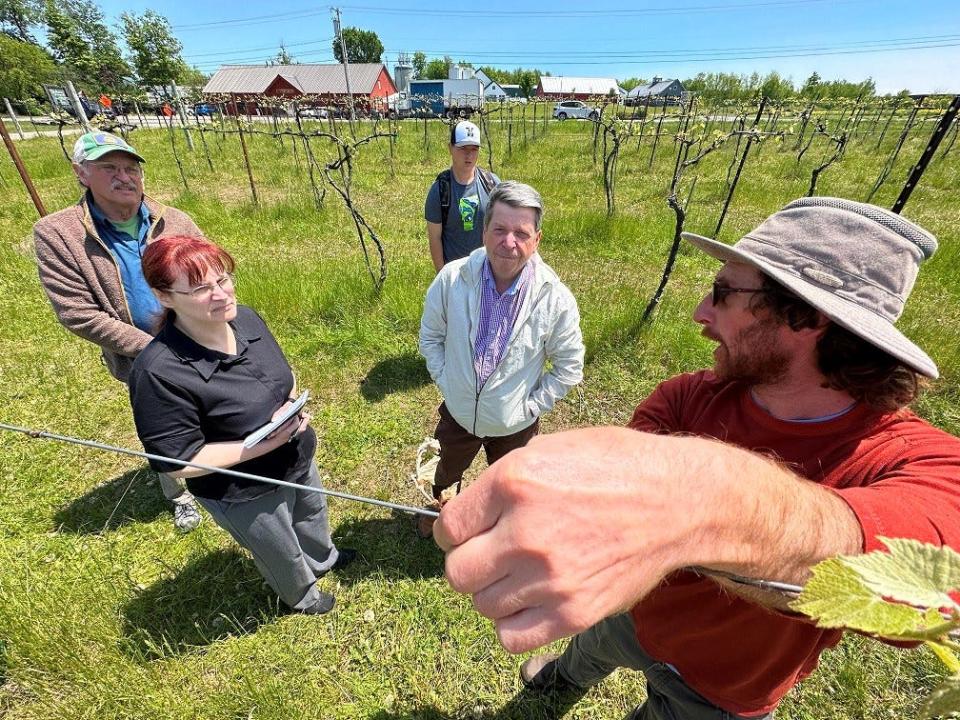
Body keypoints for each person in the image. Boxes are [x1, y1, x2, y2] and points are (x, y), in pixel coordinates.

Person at [434, 197, 960, 719]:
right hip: (636, 615)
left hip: (723, 690)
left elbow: (927, 580)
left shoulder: (919, 461)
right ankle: (564, 677)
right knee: (592, 648)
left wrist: (694, 503)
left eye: (724, 293)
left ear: (806, 316)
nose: (701, 313)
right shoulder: (686, 398)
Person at [128, 236, 356, 615]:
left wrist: (290, 405)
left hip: (296, 452)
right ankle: (301, 596)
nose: (221, 295)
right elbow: (178, 462)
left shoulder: (244, 317)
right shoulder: (158, 372)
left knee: (312, 510)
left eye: (223, 279)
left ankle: (323, 559)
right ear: (164, 296)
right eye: (201, 289)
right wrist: (262, 444)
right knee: (278, 548)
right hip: (244, 490)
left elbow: (283, 374)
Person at [33, 131, 205, 533]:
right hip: (141, 356)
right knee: (163, 424)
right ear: (81, 174)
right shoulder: (58, 234)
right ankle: (179, 494)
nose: (124, 177)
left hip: (198, 340)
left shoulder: (175, 220)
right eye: (108, 168)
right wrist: (153, 350)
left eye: (131, 168)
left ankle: (222, 471)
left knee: (213, 407)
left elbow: (208, 276)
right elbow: (77, 312)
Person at [418, 181, 585, 538]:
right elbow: (430, 337)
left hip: (514, 424)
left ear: (537, 240)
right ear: (484, 232)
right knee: (446, 468)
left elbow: (569, 367)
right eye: (500, 229)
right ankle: (440, 510)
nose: (509, 242)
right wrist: (448, 382)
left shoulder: (555, 299)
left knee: (511, 482)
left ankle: (500, 527)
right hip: (459, 411)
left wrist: (528, 407)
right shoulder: (452, 279)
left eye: (521, 233)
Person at [424, 120, 501, 272]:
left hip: (487, 273)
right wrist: (443, 278)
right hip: (455, 275)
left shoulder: (492, 185)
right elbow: (435, 238)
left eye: (474, 149)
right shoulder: (439, 191)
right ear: (450, 148)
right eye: (463, 148)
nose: (469, 155)